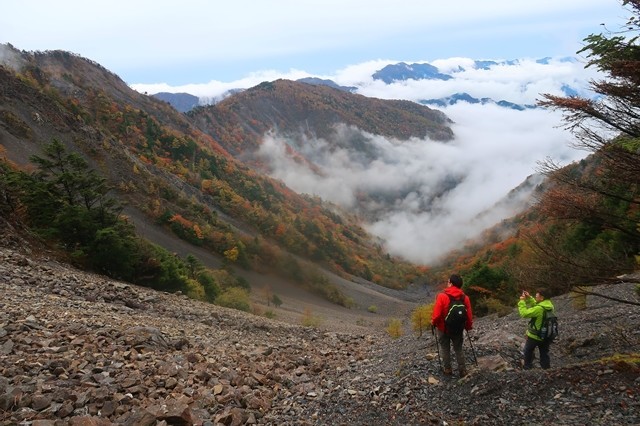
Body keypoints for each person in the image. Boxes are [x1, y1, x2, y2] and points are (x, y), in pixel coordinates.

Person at [431, 274, 473, 377]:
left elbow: (436, 314)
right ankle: (462, 370)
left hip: (443, 328)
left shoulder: (442, 296)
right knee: (458, 348)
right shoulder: (465, 298)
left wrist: (433, 322)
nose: (447, 283)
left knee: (445, 349)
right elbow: (469, 315)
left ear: (451, 283)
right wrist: (468, 326)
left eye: (448, 281)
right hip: (458, 328)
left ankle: (448, 369)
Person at [518, 288, 555, 370]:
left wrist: (522, 302)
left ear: (542, 297)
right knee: (544, 353)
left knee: (528, 351)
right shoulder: (550, 306)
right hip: (546, 335)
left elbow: (524, 313)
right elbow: (537, 306)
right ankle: (547, 370)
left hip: (534, 336)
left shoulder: (539, 309)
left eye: (537, 294)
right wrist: (530, 298)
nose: (536, 295)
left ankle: (527, 368)